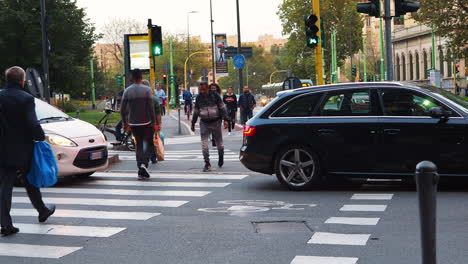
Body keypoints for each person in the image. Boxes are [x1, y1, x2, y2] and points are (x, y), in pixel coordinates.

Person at [0, 66, 56, 236]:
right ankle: (42, 210)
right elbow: (32, 123)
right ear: (22, 81)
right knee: (30, 179)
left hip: (2, 149)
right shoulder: (26, 99)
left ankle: (6, 224)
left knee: (5, 186)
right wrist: (40, 137)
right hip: (23, 148)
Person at [121, 69, 158, 180]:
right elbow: (151, 109)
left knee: (139, 145)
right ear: (141, 77)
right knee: (148, 144)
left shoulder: (127, 91)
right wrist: (154, 122)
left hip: (133, 123)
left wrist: (125, 122)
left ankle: (140, 167)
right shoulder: (147, 90)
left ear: (132, 77)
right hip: (146, 123)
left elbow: (122, 109)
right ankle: (143, 165)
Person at [191, 82, 228, 172]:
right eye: (200, 89)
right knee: (204, 145)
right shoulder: (199, 97)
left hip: (216, 121)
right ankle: (207, 163)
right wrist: (193, 123)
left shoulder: (215, 95)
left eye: (203, 89)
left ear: (207, 88)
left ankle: (221, 155)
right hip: (204, 123)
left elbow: (222, 107)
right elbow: (196, 111)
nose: (201, 91)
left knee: (219, 143)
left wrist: (225, 119)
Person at [142, 80, 162, 164]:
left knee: (142, 141)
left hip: (141, 123)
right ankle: (153, 157)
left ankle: (145, 157)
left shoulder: (139, 98)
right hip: (151, 123)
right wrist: (158, 124)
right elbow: (158, 113)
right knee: (150, 140)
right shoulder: (154, 99)